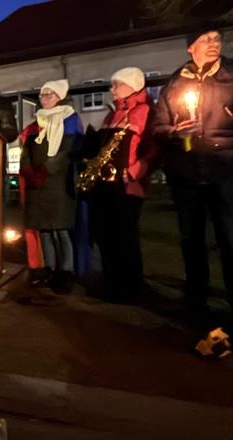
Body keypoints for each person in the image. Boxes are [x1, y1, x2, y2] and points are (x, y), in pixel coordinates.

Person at [151, 25, 233, 349]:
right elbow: (157, 127)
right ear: (190, 47)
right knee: (191, 242)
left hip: (224, 173)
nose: (214, 44)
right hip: (186, 175)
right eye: (206, 39)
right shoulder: (174, 85)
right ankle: (196, 303)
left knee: (231, 243)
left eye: (217, 38)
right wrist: (174, 133)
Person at [84, 67, 157, 302]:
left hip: (128, 187)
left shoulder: (146, 111)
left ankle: (131, 287)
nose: (111, 88)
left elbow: (154, 148)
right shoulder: (112, 114)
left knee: (124, 237)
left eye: (116, 84)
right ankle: (112, 283)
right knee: (104, 235)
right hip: (104, 186)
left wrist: (136, 171)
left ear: (132, 86)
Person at [19, 80, 83, 294]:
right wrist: (28, 171)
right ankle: (49, 269)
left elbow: (68, 150)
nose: (45, 99)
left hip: (57, 185)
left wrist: (46, 170)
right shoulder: (35, 123)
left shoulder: (70, 119)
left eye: (50, 95)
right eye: (42, 95)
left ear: (60, 97)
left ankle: (65, 272)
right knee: (44, 230)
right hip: (37, 186)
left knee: (61, 230)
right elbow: (26, 150)